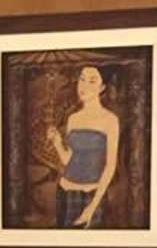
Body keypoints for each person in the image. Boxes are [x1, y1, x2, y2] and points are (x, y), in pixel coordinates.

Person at [44, 65, 120, 228]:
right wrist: (57, 141)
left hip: (92, 195)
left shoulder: (110, 120)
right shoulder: (73, 118)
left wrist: (92, 208)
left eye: (92, 81)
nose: (84, 86)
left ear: (102, 88)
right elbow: (67, 160)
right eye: (82, 79)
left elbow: (110, 166)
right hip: (65, 193)